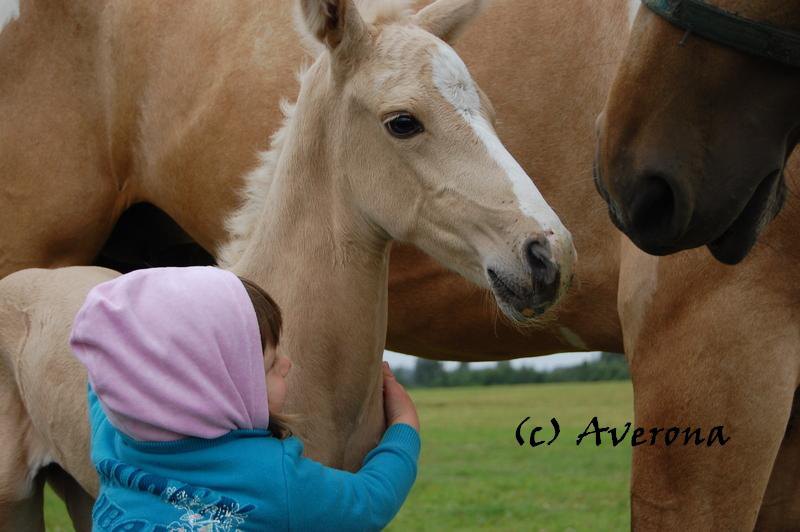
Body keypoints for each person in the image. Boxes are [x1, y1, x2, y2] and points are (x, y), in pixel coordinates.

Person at [69, 266, 420, 531]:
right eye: (267, 366)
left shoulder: (114, 437)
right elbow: (370, 500)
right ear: (211, 390)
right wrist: (404, 429)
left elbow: (103, 383)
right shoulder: (273, 478)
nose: (287, 364)